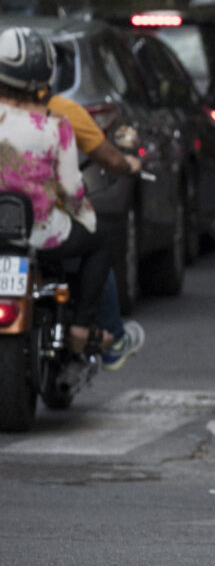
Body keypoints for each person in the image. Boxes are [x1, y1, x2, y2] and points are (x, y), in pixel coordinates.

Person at [0, 27, 114, 357]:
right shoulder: (56, 124)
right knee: (101, 239)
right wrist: (82, 209)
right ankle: (80, 328)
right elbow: (71, 189)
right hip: (41, 234)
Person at [44, 92, 145, 370]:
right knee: (98, 237)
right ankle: (98, 333)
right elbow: (72, 186)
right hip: (43, 227)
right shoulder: (59, 117)